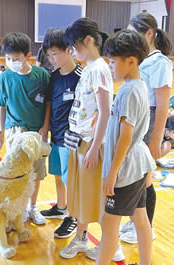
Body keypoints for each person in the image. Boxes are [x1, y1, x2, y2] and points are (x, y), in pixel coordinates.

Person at [59, 18, 124, 262]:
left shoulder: (99, 69)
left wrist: (95, 147)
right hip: (80, 140)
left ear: (88, 41)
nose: (72, 52)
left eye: (74, 47)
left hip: (91, 143)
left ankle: (112, 245)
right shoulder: (89, 67)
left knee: (97, 198)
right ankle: (82, 238)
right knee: (81, 196)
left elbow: (105, 112)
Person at [97, 29, 156, 265]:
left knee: (108, 224)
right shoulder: (138, 85)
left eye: (112, 62)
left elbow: (125, 136)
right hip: (137, 164)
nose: (110, 67)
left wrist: (112, 173)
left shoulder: (129, 90)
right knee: (140, 219)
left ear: (130, 61)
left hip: (127, 168)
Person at [120, 12, 173, 244]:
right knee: (136, 174)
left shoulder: (161, 63)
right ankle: (136, 222)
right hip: (138, 116)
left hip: (150, 119)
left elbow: (162, 105)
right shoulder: (139, 59)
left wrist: (155, 140)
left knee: (145, 177)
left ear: (149, 34)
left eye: (134, 35)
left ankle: (145, 227)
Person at [0, 32, 51, 225]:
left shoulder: (42, 76)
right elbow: (1, 106)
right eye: (8, 58)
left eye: (16, 59)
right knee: (17, 171)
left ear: (28, 55)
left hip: (37, 132)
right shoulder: (5, 77)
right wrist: (0, 132)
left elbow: (48, 104)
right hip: (14, 131)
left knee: (37, 171)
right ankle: (18, 208)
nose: (11, 62)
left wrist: (45, 126)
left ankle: (32, 208)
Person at [38, 28, 82, 238]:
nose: (52, 59)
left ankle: (72, 217)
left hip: (71, 140)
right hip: (55, 136)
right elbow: (49, 104)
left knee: (69, 180)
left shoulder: (80, 77)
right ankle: (61, 206)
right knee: (57, 175)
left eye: (55, 53)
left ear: (68, 50)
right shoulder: (53, 76)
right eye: (48, 55)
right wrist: (45, 129)